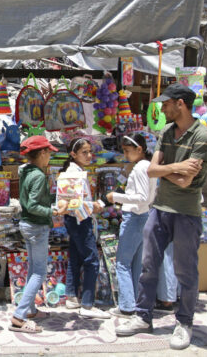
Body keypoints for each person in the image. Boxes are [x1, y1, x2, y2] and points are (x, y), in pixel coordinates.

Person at [116, 84, 207, 350]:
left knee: (185, 271)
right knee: (149, 266)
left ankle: (184, 322)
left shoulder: (203, 137)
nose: (161, 108)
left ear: (180, 103)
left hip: (186, 212)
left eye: (166, 103)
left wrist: (166, 170)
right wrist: (177, 166)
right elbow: (150, 170)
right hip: (159, 209)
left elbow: (184, 182)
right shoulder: (167, 132)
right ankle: (142, 316)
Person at [10, 135, 65, 334]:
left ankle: (30, 308)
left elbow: (34, 198)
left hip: (27, 225)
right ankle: (19, 316)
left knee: (33, 268)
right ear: (42, 153)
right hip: (36, 226)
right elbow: (33, 205)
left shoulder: (26, 170)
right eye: (49, 152)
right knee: (39, 272)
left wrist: (55, 198)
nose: (50, 156)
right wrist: (53, 211)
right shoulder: (39, 175)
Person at [105, 133, 157, 317]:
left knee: (122, 263)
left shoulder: (141, 168)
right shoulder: (144, 166)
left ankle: (126, 306)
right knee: (134, 263)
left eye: (128, 151)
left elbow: (142, 197)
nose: (125, 155)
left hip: (135, 216)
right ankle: (133, 301)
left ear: (139, 150)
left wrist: (115, 197)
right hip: (141, 216)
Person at [59, 138, 109, 319]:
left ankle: (71, 296)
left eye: (90, 152)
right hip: (80, 220)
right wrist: (93, 206)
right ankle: (87, 304)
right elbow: (76, 203)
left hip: (75, 220)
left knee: (76, 257)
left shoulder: (74, 171)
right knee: (91, 260)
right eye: (84, 152)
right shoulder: (74, 173)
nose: (89, 156)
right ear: (73, 154)